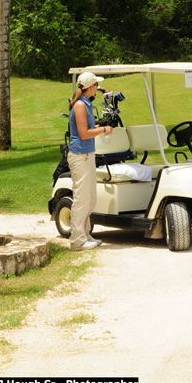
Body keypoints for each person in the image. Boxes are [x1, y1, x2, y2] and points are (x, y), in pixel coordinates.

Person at [67, 72, 113, 251]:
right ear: (91, 87)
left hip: (87, 154)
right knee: (82, 198)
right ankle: (77, 240)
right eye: (96, 86)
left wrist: (100, 127)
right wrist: (102, 130)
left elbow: (87, 128)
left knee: (91, 198)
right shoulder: (79, 105)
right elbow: (83, 133)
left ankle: (85, 234)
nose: (97, 88)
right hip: (80, 156)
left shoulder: (85, 104)